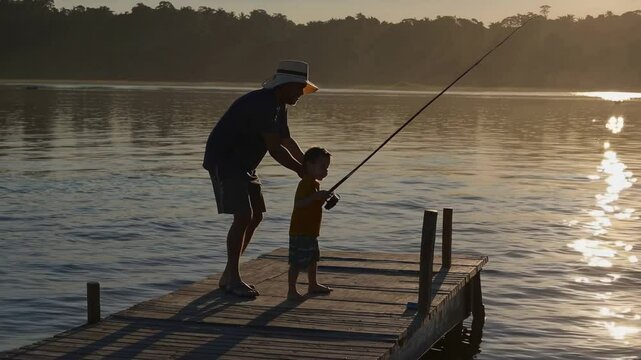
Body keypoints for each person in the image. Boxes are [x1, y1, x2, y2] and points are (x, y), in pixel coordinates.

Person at [203, 60, 319, 298]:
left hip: (245, 165)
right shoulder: (263, 104)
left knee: (256, 216)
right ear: (285, 86)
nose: (301, 94)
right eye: (298, 88)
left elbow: (287, 141)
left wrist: (307, 166)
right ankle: (233, 279)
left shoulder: (280, 106)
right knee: (243, 215)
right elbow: (275, 149)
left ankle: (228, 274)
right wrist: (300, 171)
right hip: (225, 160)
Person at [287, 147, 335, 301]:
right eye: (322, 167)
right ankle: (291, 290)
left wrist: (322, 198)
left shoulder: (314, 185)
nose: (325, 171)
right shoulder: (305, 184)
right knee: (297, 262)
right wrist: (315, 197)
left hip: (311, 231)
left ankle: (312, 284)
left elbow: (313, 205)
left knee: (313, 258)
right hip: (300, 231)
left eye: (327, 168)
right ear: (309, 165)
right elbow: (299, 204)